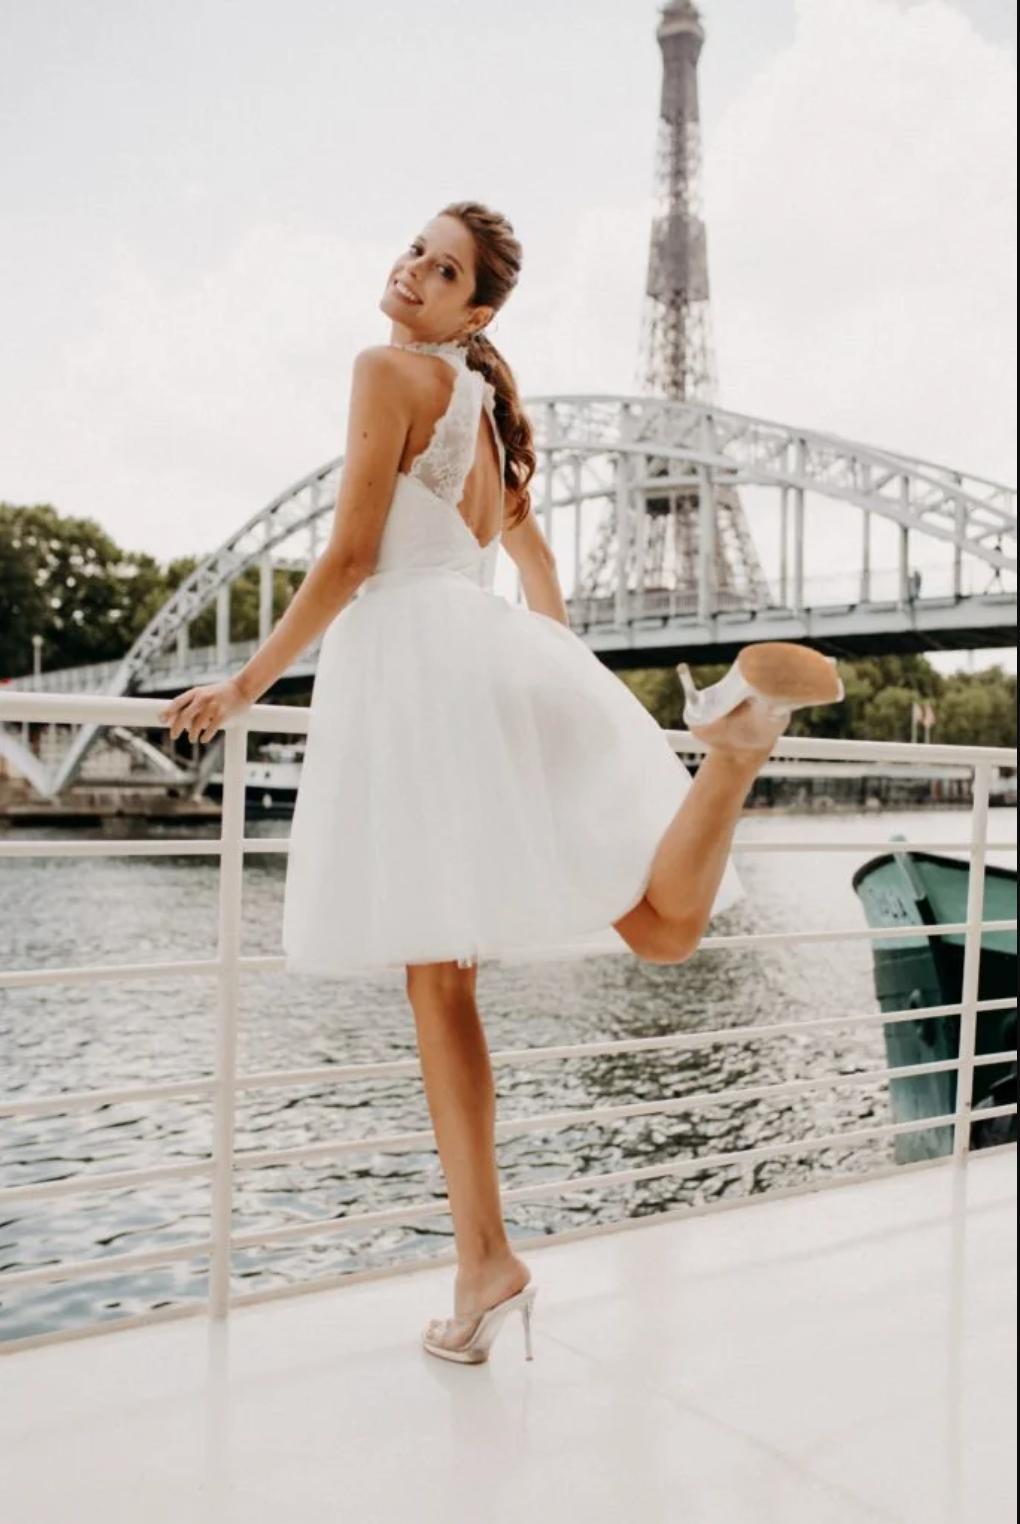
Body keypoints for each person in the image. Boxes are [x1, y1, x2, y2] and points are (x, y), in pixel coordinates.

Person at [158, 200, 843, 1366]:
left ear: (474, 309)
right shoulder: (483, 407)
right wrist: (554, 673)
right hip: (497, 657)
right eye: (415, 251)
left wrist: (249, 684)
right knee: (660, 931)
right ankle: (732, 750)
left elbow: (351, 557)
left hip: (419, 673)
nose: (414, 271)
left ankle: (486, 1260)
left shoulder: (389, 370)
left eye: (444, 269)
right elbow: (527, 556)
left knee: (439, 983)